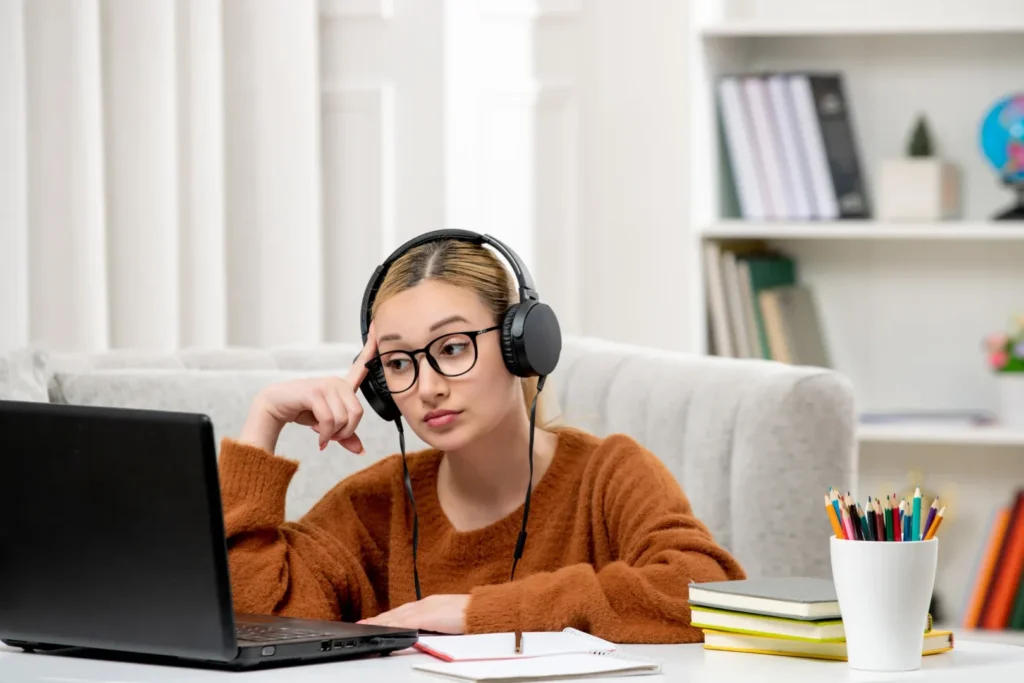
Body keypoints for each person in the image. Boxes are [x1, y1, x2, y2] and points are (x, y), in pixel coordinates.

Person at [218, 235, 745, 644]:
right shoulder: (372, 507)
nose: (427, 388)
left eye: (451, 348)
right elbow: (257, 620)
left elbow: (706, 592)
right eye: (399, 363)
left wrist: (478, 613)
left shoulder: (610, 476)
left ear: (523, 345)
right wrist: (263, 423)